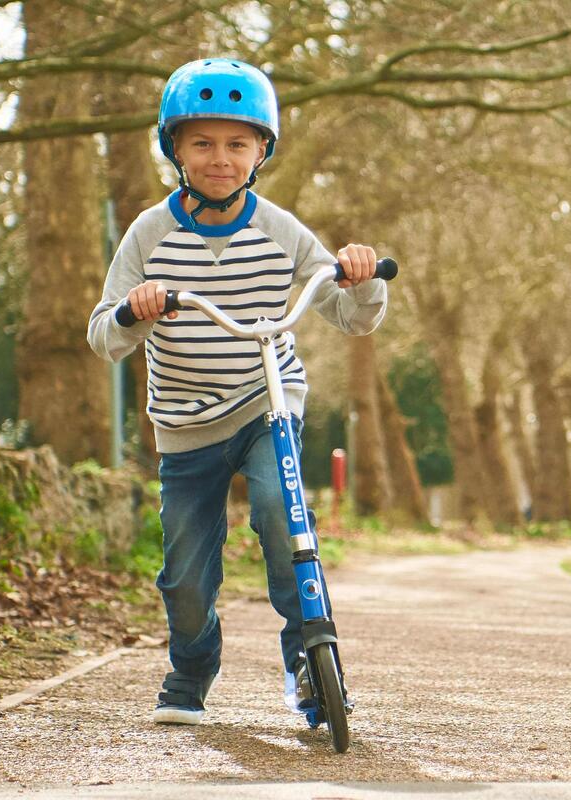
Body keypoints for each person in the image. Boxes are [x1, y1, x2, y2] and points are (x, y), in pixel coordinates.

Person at [87, 57, 387, 725]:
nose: (220, 158)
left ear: (260, 151)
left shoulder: (281, 231)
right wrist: (134, 312)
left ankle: (311, 664)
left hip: (265, 403)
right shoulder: (149, 234)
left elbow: (350, 315)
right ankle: (190, 672)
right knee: (186, 575)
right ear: (175, 150)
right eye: (202, 142)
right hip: (186, 422)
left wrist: (361, 278)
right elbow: (104, 337)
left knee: (286, 519)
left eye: (236, 143)